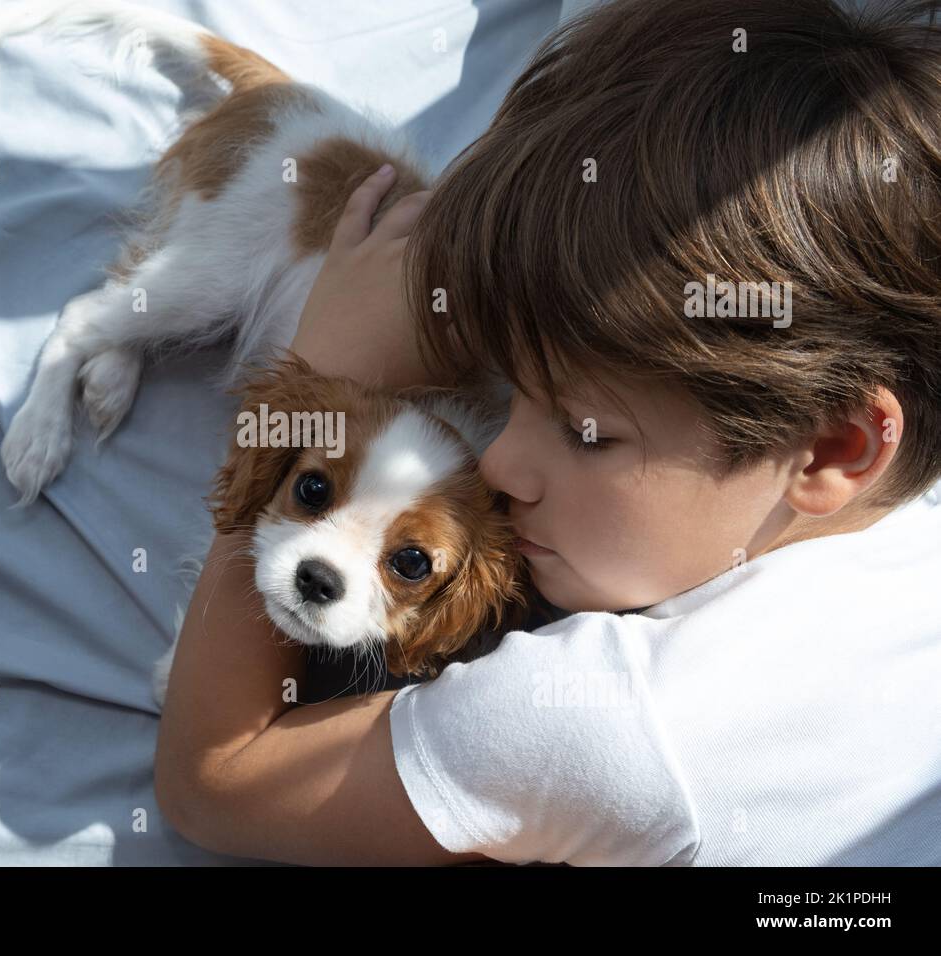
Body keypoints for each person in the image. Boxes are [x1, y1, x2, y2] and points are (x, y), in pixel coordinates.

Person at [153, 0, 941, 865]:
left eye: (586, 432)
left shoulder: (605, 718)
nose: (497, 461)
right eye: (512, 396)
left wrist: (319, 382)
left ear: (834, 449)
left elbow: (212, 782)